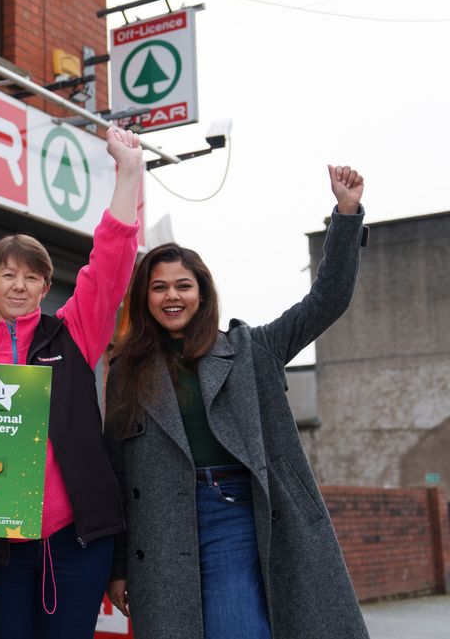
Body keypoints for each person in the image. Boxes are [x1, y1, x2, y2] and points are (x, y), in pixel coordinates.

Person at [103, 165, 369, 639]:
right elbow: (118, 471)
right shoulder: (126, 369)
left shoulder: (251, 349)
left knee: (238, 628)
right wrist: (119, 566)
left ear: (202, 293)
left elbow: (326, 301)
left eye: (183, 285)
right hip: (159, 534)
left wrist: (345, 216)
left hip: (233, 513)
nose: (171, 296)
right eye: (159, 286)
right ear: (144, 298)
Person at [0, 127, 145, 638]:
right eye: (8, 275)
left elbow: (111, 264)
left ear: (47, 287)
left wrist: (128, 172)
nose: (19, 286)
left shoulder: (73, 334)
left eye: (32, 277)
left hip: (75, 543)